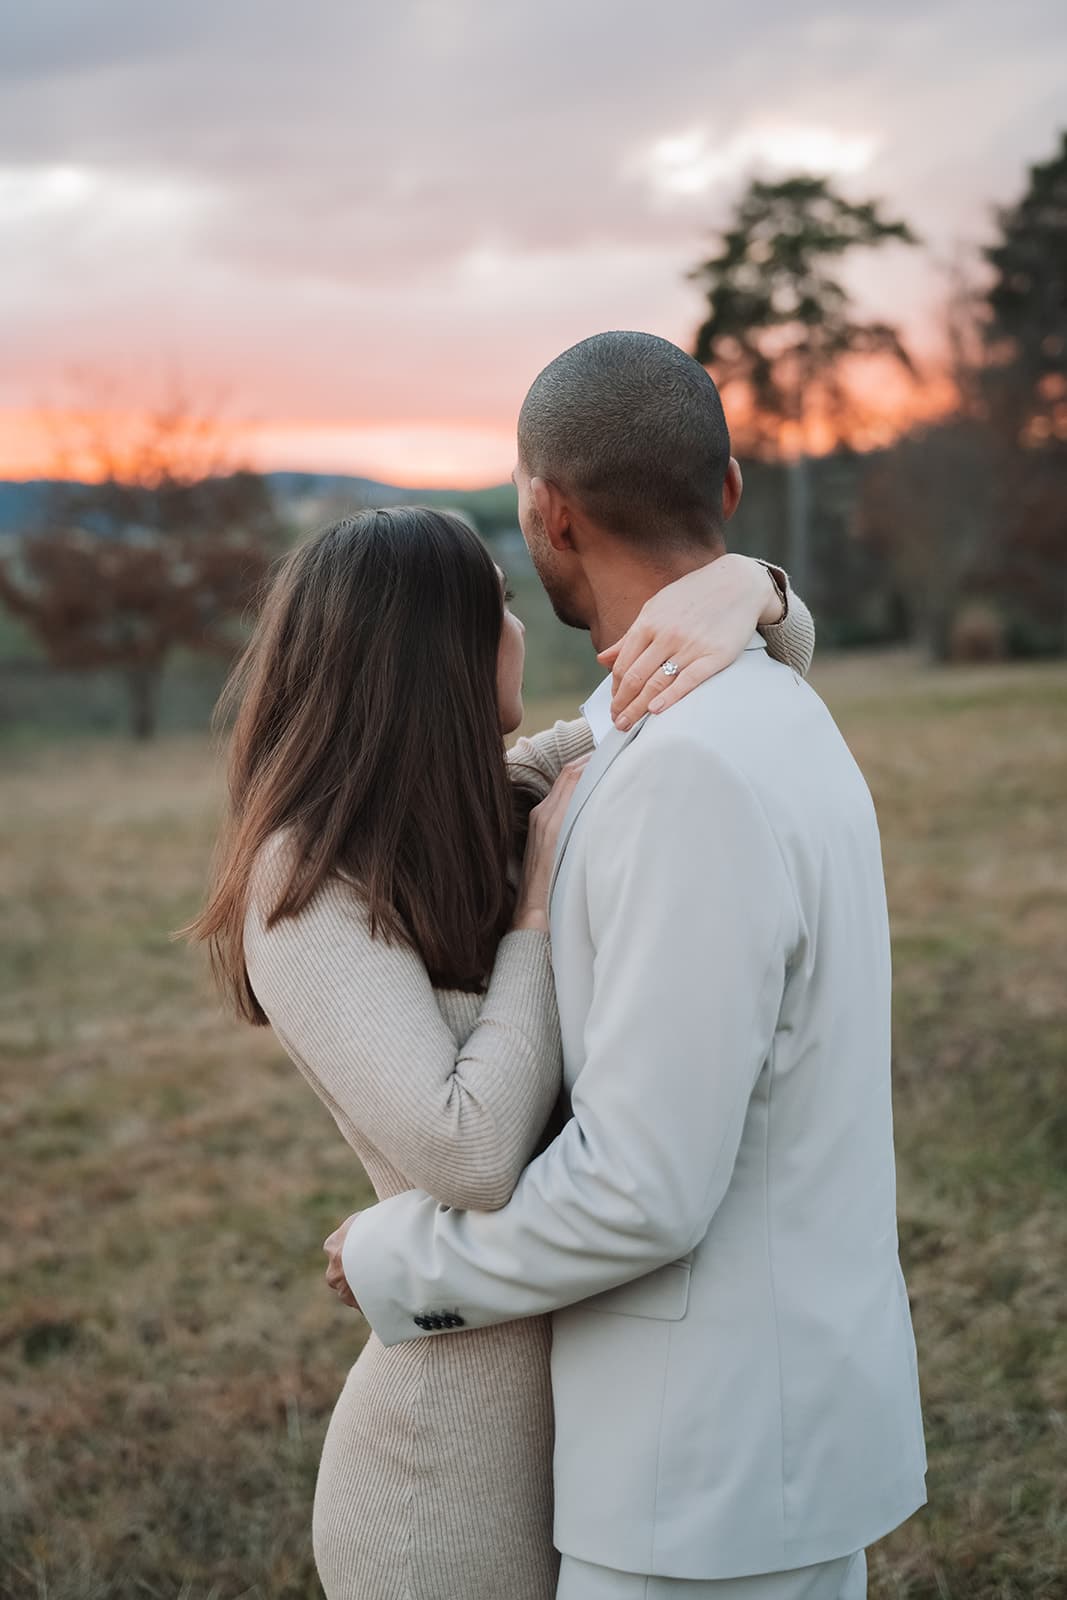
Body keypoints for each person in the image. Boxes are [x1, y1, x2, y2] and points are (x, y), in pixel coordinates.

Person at [334, 333, 927, 1600]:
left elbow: (644, 1187)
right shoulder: (725, 709)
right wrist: (757, 589)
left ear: (546, 513)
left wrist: (395, 1260)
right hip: (746, 1452)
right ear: (723, 490)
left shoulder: (685, 770)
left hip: (702, 1479)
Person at [191, 490, 815, 1600]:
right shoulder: (303, 881)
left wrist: (747, 587)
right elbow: (469, 1151)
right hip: (445, 1475)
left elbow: (694, 694)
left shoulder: (491, 798)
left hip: (592, 1428)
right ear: (435, 652)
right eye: (497, 608)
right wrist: (528, 924)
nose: (522, 630)